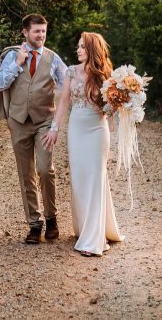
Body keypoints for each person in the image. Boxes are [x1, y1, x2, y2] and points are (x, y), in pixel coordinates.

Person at [42, 31, 122, 256]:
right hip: (77, 130)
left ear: (92, 50)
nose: (78, 50)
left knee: (96, 179)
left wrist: (117, 104)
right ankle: (86, 227)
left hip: (98, 130)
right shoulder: (70, 72)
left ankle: (93, 239)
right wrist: (54, 129)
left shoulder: (106, 76)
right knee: (79, 180)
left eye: (82, 47)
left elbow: (109, 110)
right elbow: (64, 102)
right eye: (78, 46)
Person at [0, 13, 68, 244]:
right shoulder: (13, 56)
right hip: (19, 121)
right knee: (26, 173)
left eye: (44, 31)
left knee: (46, 169)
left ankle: (51, 218)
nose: (41, 35)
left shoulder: (53, 58)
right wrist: (17, 65)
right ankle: (34, 225)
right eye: (37, 31)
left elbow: (69, 85)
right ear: (25, 32)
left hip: (45, 120)